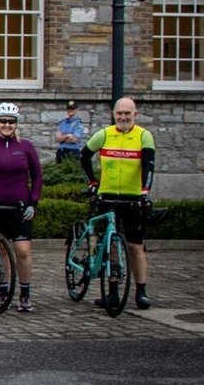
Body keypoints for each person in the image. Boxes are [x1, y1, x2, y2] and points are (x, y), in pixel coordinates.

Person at [81, 96, 156, 310]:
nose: (123, 117)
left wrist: (145, 191)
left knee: (135, 246)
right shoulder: (104, 135)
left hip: (133, 198)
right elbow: (84, 156)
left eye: (127, 113)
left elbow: (149, 165)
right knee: (111, 245)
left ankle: (141, 292)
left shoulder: (144, 136)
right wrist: (93, 182)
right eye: (119, 113)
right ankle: (112, 293)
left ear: (135, 115)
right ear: (114, 114)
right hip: (108, 197)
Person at [0, 101, 42, 312]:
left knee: (23, 250)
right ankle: (4, 292)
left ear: (16, 124)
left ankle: (25, 293)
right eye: (3, 121)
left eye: (11, 122)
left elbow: (37, 176)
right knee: (2, 250)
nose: (7, 125)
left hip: (20, 207)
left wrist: (33, 201)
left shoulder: (26, 147)